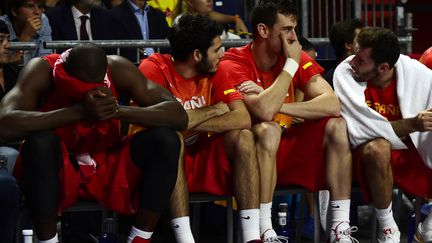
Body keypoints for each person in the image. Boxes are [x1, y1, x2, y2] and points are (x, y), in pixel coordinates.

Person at [0, 43, 188, 243]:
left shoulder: (117, 68)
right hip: (57, 164)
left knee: (166, 139)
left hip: (106, 161)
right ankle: (48, 240)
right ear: (64, 76)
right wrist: (78, 111)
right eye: (81, 92)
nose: (92, 96)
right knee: (39, 142)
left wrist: (116, 110)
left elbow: (179, 116)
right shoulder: (41, 70)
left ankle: (140, 238)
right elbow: (4, 124)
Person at [218, 0, 356, 242]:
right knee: (268, 128)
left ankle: (339, 227)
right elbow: (262, 112)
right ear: (263, 30)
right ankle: (264, 227)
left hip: (289, 149)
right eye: (287, 29)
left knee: (337, 125)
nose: (294, 37)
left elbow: (332, 104)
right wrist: (291, 66)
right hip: (250, 159)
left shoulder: (295, 56)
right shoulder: (233, 62)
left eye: (294, 28)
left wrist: (279, 104)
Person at [135, 14, 264, 243]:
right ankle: (185, 238)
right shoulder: (153, 68)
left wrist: (183, 119)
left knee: (244, 136)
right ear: (197, 55)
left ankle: (252, 236)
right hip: (157, 160)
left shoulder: (217, 70)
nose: (222, 54)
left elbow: (242, 118)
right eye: (217, 49)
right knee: (173, 138)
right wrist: (214, 110)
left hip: (203, 154)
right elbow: (158, 121)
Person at [333, 27, 432, 243]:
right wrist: (413, 124)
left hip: (411, 154)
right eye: (356, 56)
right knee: (378, 146)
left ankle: (428, 227)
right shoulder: (345, 74)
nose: (353, 63)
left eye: (361, 60)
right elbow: (360, 130)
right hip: (364, 157)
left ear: (383, 67)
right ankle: (388, 229)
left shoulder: (419, 75)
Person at [0, 19, 20, 243]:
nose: (8, 46)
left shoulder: (17, 74)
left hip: (20, 143)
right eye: (0, 41)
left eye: (8, 40)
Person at [171, 0, 247, 39]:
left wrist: (242, 37)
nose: (209, 0)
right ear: (191, 2)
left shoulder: (211, 21)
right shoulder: (181, 20)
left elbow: (234, 40)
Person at [324, 18, 364, 87]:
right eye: (361, 39)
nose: (366, 42)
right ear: (348, 45)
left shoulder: (370, 73)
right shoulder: (330, 80)